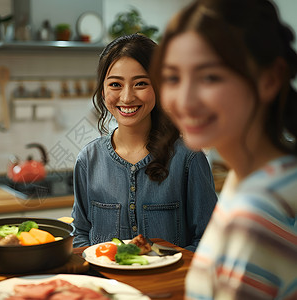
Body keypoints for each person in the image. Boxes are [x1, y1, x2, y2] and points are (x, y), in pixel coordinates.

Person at [151, 0, 297, 298]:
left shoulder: (254, 216)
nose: (185, 100)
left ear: (269, 79)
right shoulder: (264, 176)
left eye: (210, 77)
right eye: (173, 78)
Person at [71, 33, 218, 251]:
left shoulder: (188, 158)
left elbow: (209, 243)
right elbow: (80, 234)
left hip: (169, 284)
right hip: (106, 285)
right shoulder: (88, 159)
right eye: (115, 84)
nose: (127, 97)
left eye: (140, 83)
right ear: (103, 91)